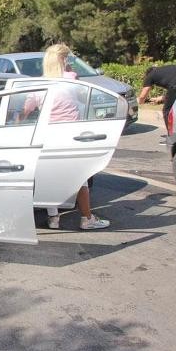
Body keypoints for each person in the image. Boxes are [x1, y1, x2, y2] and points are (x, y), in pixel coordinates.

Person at [42, 43, 110, 230]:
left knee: (49, 178)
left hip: (48, 136)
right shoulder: (71, 78)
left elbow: (28, 108)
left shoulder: (41, 83)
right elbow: (84, 99)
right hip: (71, 135)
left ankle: (53, 218)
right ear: (63, 60)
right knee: (81, 178)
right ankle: (87, 218)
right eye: (69, 59)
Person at [138, 65, 176, 132]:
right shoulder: (164, 70)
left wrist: (140, 101)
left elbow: (143, 95)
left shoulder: (150, 75)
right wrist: (161, 98)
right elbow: (172, 91)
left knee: (167, 110)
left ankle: (171, 135)